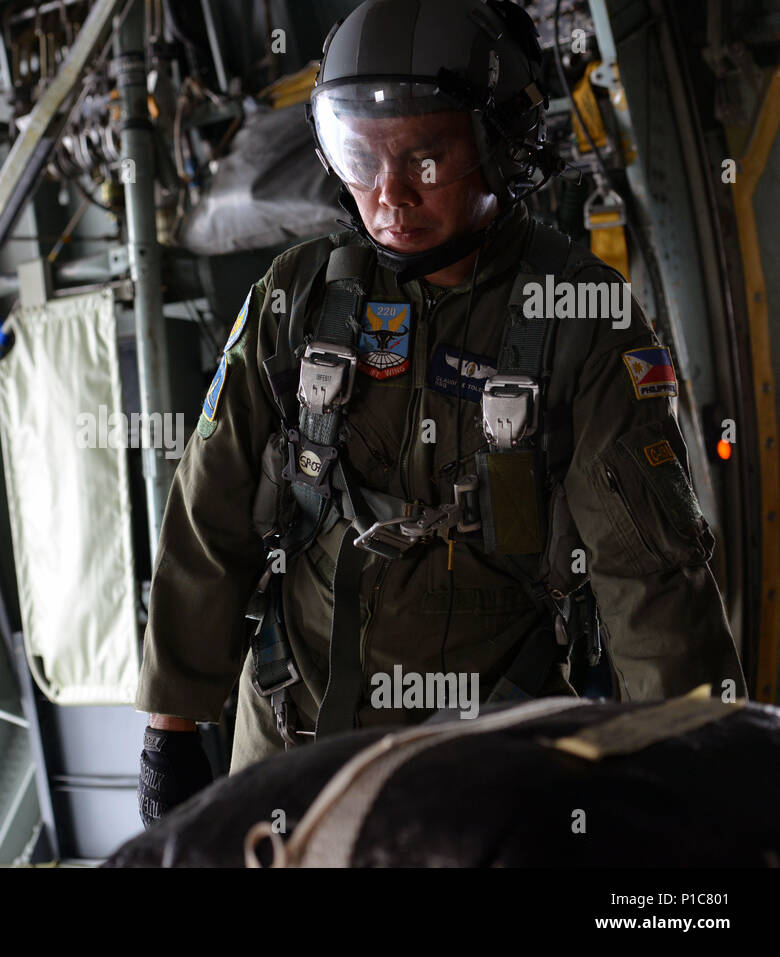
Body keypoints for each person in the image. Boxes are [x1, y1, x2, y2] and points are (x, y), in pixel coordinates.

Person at [135, 0, 746, 828]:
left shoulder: (580, 319)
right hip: (287, 751)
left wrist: (699, 786)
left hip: (482, 779)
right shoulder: (297, 297)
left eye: (427, 158)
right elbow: (209, 513)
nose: (387, 194)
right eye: (360, 155)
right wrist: (170, 734)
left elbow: (650, 580)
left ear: (500, 144)